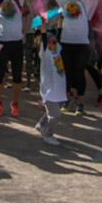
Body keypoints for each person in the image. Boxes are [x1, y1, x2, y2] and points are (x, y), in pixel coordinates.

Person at [53, 0, 101, 116]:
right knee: (67, 72)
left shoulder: (85, 2)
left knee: (79, 73)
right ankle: (66, 100)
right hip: (66, 43)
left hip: (81, 44)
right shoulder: (64, 2)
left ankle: (80, 102)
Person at [35, 16, 65, 146]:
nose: (55, 43)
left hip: (57, 89)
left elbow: (59, 33)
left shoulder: (57, 51)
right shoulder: (45, 53)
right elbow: (43, 36)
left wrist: (61, 21)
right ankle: (48, 135)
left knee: (51, 111)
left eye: (55, 42)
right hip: (49, 89)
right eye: (52, 42)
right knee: (56, 115)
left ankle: (40, 125)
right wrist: (43, 24)